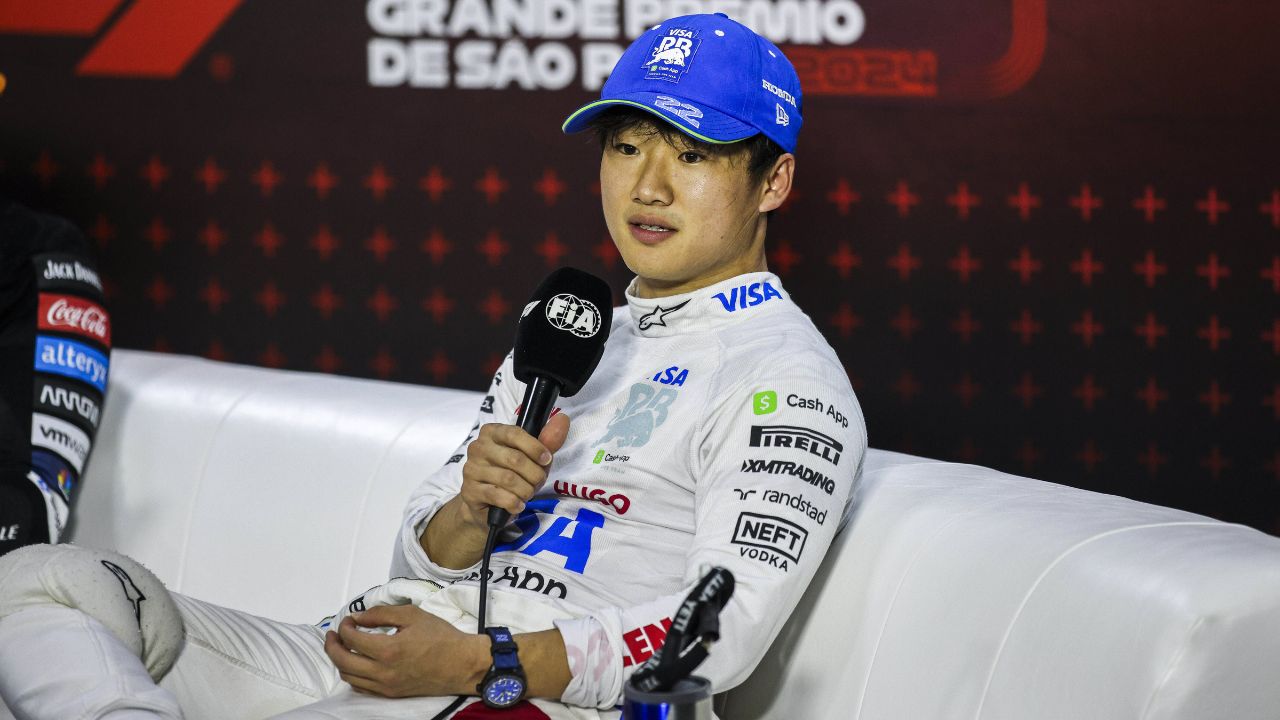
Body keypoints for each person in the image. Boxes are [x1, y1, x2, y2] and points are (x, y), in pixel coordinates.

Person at [0, 13, 866, 719]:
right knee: (36, 583)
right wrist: (470, 508)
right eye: (627, 146)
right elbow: (423, 553)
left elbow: (717, 632)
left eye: (693, 154)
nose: (648, 186)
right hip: (385, 652)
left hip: (526, 695)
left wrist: (481, 661)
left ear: (773, 182)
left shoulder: (788, 377)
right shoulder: (569, 327)